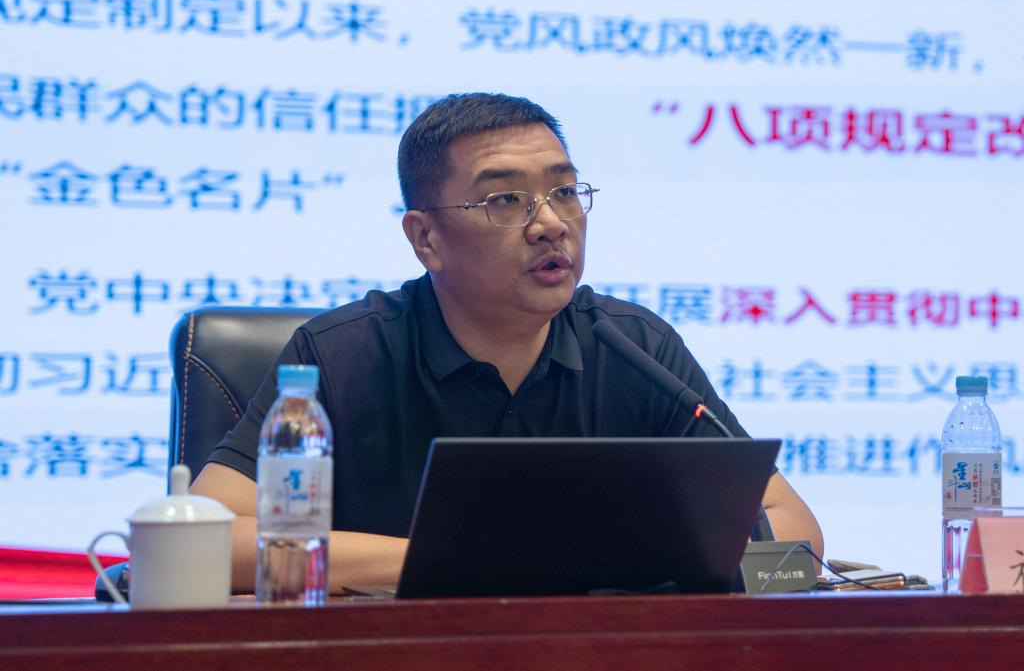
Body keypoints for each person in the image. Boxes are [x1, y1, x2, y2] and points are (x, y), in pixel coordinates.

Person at [191, 93, 824, 594]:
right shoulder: (342, 356)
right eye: (506, 199)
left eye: (565, 192)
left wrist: (644, 567)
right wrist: (464, 562)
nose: (550, 223)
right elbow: (209, 541)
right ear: (425, 239)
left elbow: (794, 540)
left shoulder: (634, 349)